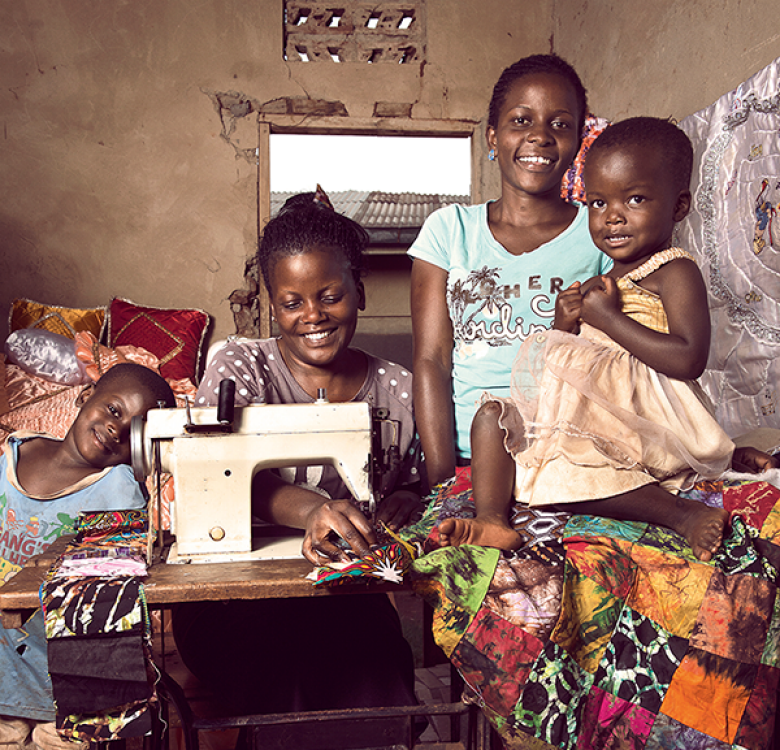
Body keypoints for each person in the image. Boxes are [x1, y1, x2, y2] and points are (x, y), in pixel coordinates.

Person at [439, 116, 779, 561]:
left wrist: (608, 317)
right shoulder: (606, 275)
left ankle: (682, 514)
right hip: (593, 417)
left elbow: (689, 358)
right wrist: (564, 324)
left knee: (566, 472)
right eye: (597, 202)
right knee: (491, 418)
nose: (612, 216)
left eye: (634, 198)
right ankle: (492, 520)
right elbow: (570, 363)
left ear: (678, 207)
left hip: (641, 419)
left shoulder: (674, 271)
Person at [171, 188, 423, 717]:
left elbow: (420, 484)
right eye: (292, 303)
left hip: (343, 594)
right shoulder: (241, 365)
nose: (313, 315)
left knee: (381, 674)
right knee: (289, 670)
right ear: (273, 305)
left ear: (360, 293)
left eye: (331, 296)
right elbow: (215, 476)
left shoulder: (397, 389)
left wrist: (405, 498)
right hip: (233, 595)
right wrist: (313, 510)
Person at [409, 54, 612, 489]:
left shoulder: (599, 234)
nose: (539, 136)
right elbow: (432, 361)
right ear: (493, 136)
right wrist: (442, 481)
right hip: (467, 462)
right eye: (521, 120)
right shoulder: (449, 231)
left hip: (567, 460)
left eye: (560, 124)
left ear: (579, 140)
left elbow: (612, 362)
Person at [0, 363, 175, 750]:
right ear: (84, 397)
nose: (118, 428)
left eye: (135, 430)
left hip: (65, 682)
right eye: (114, 411)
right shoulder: (17, 451)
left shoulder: (116, 488)